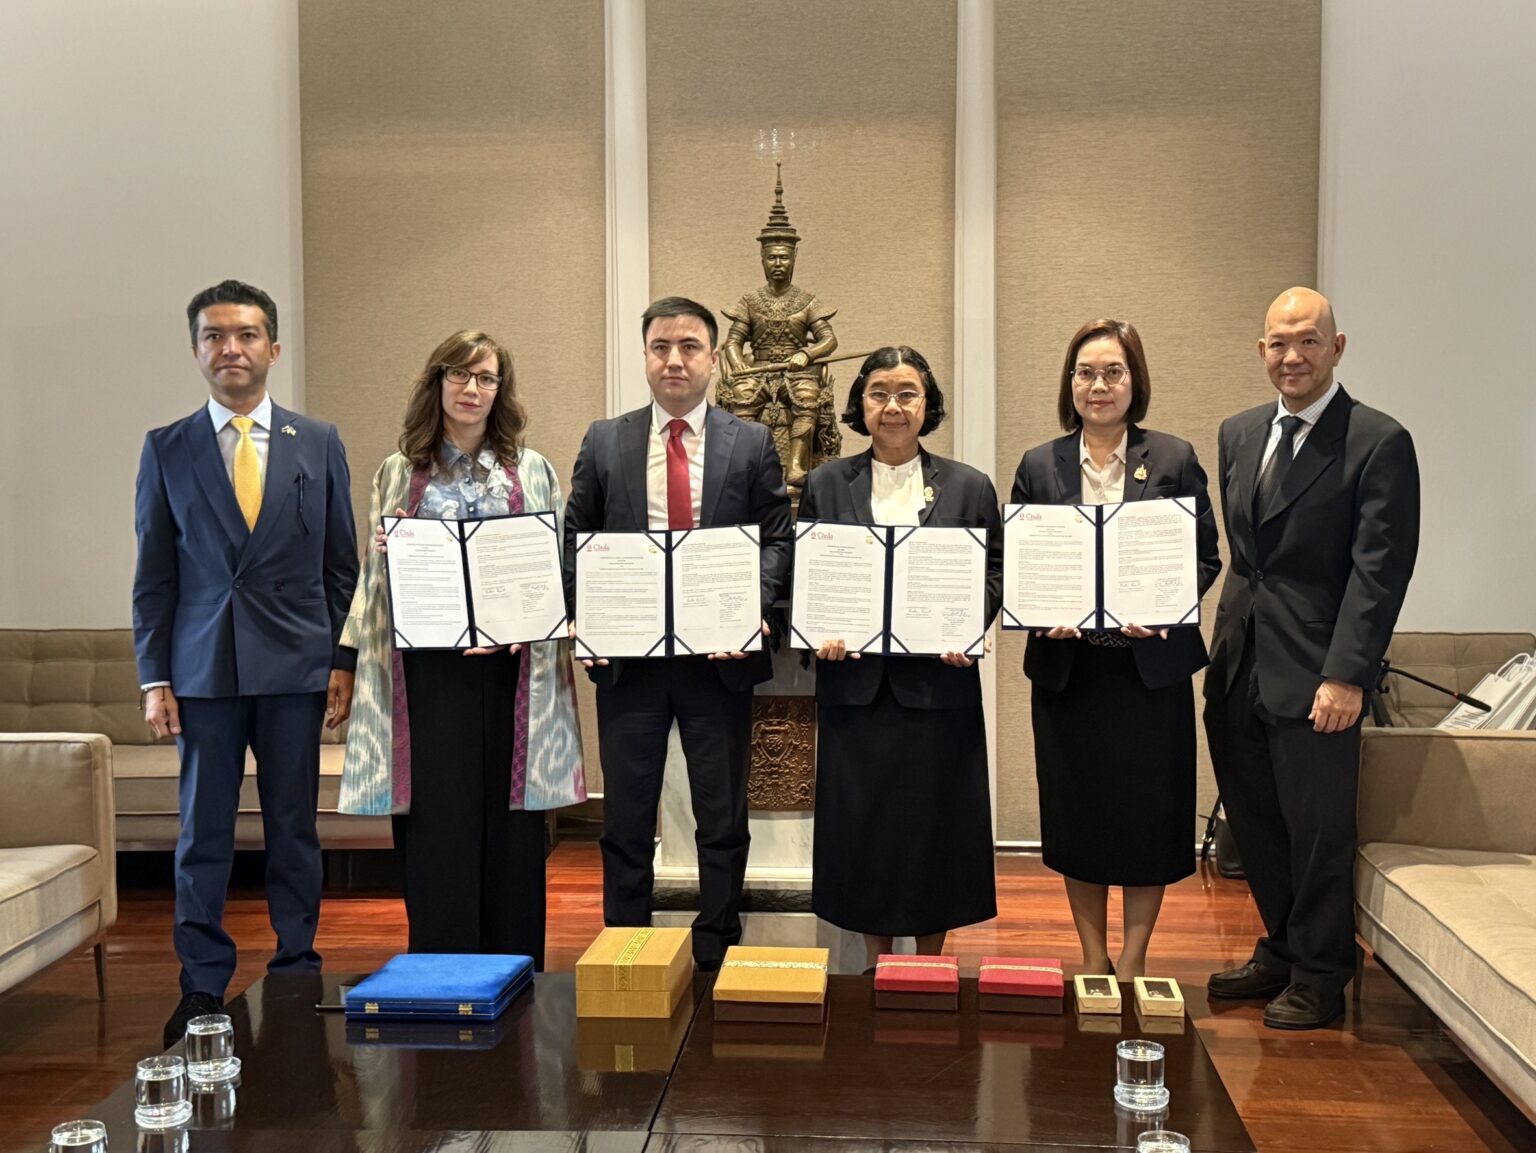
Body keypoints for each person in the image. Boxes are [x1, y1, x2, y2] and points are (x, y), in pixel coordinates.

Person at [133, 280, 358, 1047]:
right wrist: (153, 675)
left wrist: (341, 659)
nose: (232, 347)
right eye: (215, 335)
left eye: (248, 334)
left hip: (296, 666)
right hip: (204, 673)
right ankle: (201, 984)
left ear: (273, 348)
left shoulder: (318, 441)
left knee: (295, 827)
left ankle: (296, 963)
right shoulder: (166, 447)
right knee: (203, 834)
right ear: (197, 349)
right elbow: (155, 574)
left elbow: (340, 565)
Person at [1205, 287, 1419, 1029]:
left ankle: (1324, 972)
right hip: (1238, 665)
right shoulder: (1237, 433)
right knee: (1257, 821)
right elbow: (1244, 558)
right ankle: (1283, 946)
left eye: (1306, 340)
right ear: (1261, 349)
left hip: (1319, 672)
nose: (1291, 355)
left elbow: (1379, 569)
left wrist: (1347, 673)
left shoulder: (1376, 441)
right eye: (1277, 342)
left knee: (1319, 827)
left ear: (1337, 347)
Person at [337, 330, 585, 966]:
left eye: (487, 378)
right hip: (428, 677)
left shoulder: (532, 471)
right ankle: (442, 970)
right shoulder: (400, 471)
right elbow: (371, 579)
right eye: (460, 375)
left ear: (502, 391)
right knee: (438, 827)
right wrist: (389, 560)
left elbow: (552, 572)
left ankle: (515, 966)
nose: (473, 389)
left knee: (512, 827)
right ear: (437, 382)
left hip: (510, 673)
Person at [562, 296, 793, 970]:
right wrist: (585, 613)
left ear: (714, 359)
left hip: (718, 661)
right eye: (661, 346)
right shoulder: (606, 439)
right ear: (644, 356)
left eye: (690, 346)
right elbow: (577, 536)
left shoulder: (749, 443)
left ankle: (717, 945)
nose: (674, 359)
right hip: (630, 662)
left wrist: (759, 607)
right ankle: (626, 949)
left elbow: (776, 537)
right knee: (626, 819)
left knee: (720, 816)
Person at [1010, 319, 1221, 981]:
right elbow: (1020, 562)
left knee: (1147, 817)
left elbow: (1206, 556)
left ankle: (1133, 958)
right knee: (1079, 816)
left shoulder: (1175, 457)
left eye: (1112, 372)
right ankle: (1092, 954)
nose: (1098, 386)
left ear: (1136, 381)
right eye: (1085, 373)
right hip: (1071, 675)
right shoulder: (1039, 464)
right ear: (1069, 383)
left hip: (1146, 674)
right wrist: (1044, 613)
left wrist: (1162, 606)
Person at [799, 346, 1002, 970]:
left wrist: (970, 624)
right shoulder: (827, 483)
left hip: (938, 689)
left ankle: (931, 965)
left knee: (935, 826)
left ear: (928, 404)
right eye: (879, 392)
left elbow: (994, 571)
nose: (893, 406)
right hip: (856, 690)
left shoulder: (969, 485)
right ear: (860, 404)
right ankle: (878, 964)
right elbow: (807, 574)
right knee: (863, 830)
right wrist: (818, 632)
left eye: (907, 393)